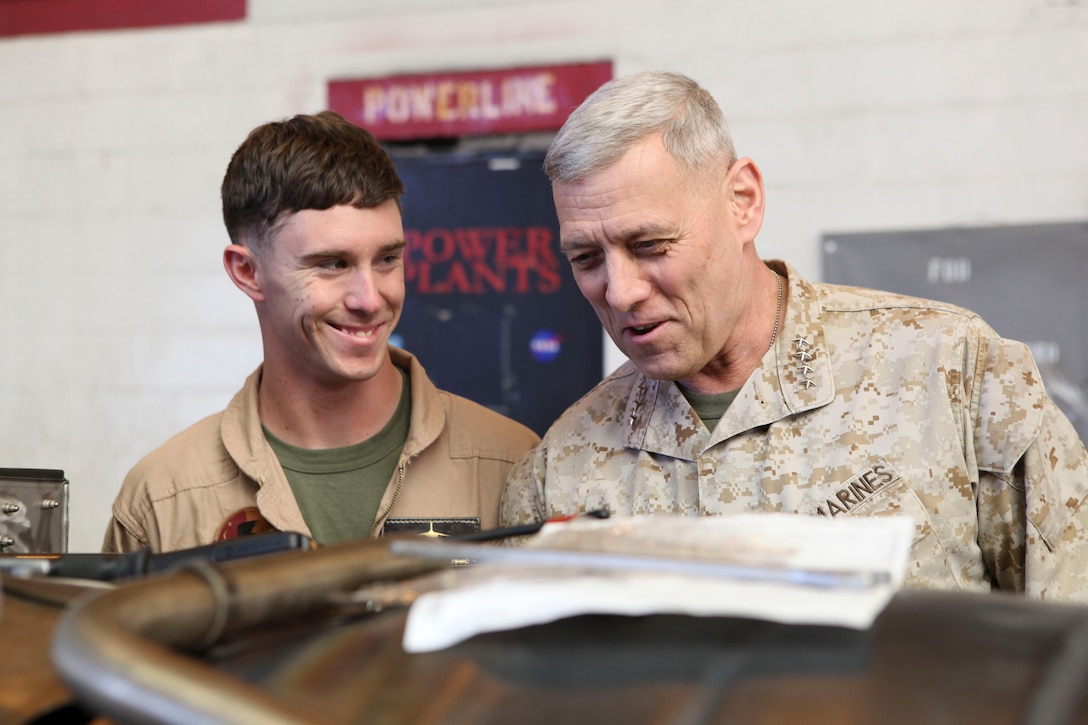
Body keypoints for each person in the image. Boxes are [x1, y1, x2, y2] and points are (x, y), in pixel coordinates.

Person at [500, 71, 1088, 599]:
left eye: (650, 246)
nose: (620, 290)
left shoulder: (953, 373)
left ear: (742, 202)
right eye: (585, 258)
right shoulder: (561, 470)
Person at [104, 111, 539, 553]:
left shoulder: (513, 466)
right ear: (248, 271)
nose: (370, 299)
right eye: (333, 264)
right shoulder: (164, 501)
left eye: (387, 259)